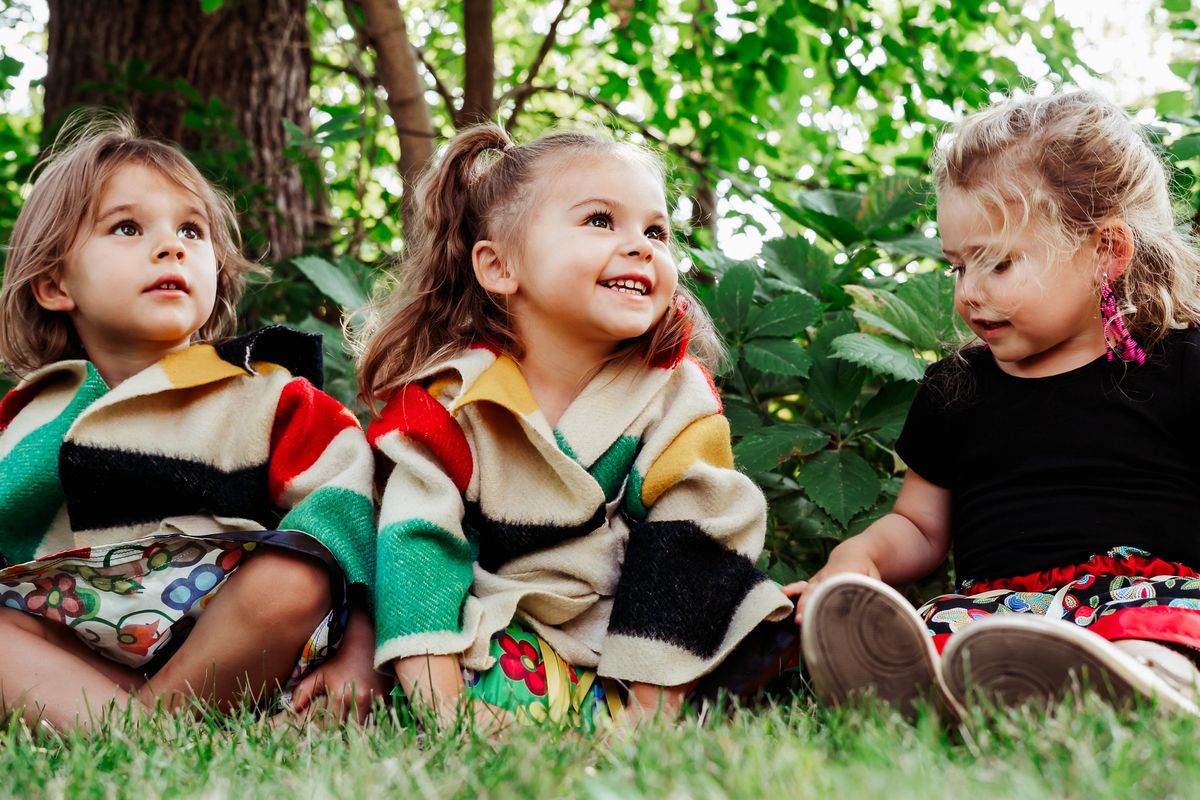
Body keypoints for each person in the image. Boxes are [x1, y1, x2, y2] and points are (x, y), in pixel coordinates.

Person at [356, 124, 791, 730]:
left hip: (646, 640)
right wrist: (444, 710)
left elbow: (690, 541)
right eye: (599, 221)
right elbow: (418, 544)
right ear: (499, 266)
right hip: (501, 623)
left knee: (765, 623)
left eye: (657, 231)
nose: (641, 245)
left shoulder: (672, 394)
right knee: (488, 674)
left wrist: (645, 714)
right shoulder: (453, 402)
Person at [787, 91, 1200, 718]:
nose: (969, 293)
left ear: (1105, 253)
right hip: (1000, 616)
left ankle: (1151, 679)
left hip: (1148, 597)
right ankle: (921, 683)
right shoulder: (957, 386)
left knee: (1169, 627)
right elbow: (921, 526)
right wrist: (861, 557)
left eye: (999, 264)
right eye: (957, 267)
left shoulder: (1183, 363)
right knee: (946, 634)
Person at [0, 114, 386, 731]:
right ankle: (134, 726)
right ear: (54, 283)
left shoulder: (266, 392)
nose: (172, 245)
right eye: (127, 227)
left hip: (245, 644)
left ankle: (138, 725)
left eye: (191, 229)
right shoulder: (29, 416)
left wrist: (363, 655)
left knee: (296, 575)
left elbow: (354, 515)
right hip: (85, 642)